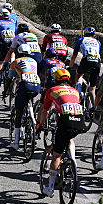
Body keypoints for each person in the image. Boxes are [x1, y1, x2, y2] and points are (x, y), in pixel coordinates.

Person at [37, 69, 85, 197]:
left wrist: (40, 124)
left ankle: (50, 188)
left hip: (65, 121)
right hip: (80, 120)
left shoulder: (51, 91)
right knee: (70, 136)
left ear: (55, 79)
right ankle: (72, 160)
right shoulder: (75, 91)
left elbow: (45, 110)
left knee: (56, 155)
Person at [7, 48, 42, 150]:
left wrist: (6, 91)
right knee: (29, 98)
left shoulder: (17, 61)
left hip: (25, 83)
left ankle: (16, 142)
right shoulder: (34, 61)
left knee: (18, 112)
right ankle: (32, 119)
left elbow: (10, 76)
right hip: (36, 84)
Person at [0, 7, 18, 91]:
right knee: (12, 52)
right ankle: (12, 64)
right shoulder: (13, 23)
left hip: (3, 44)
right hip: (12, 43)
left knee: (0, 62)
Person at [70, 26, 102, 95]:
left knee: (79, 74)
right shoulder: (98, 42)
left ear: (85, 33)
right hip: (97, 62)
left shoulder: (81, 40)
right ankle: (92, 104)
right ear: (94, 35)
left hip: (86, 60)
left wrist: (70, 66)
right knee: (93, 88)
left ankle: (78, 93)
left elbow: (74, 55)